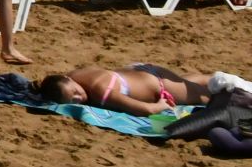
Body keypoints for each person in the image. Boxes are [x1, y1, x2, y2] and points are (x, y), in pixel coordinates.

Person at [38, 65, 215, 114]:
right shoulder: (74, 74)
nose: (79, 98)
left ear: (69, 79)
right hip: (137, 72)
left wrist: (161, 105)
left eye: (75, 92)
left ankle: (237, 86)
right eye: (72, 100)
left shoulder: (100, 91)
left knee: (208, 98)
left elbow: (144, 109)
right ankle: (214, 78)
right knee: (187, 83)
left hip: (158, 85)